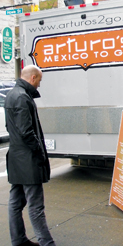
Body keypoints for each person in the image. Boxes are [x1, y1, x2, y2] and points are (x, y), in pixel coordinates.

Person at [4, 65, 56, 246]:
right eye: (39, 81)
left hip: (16, 158)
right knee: (36, 206)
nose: (39, 85)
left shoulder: (12, 95)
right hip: (28, 160)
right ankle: (46, 243)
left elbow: (10, 127)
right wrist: (39, 153)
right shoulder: (22, 97)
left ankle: (18, 240)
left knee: (15, 203)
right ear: (33, 78)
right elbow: (27, 132)